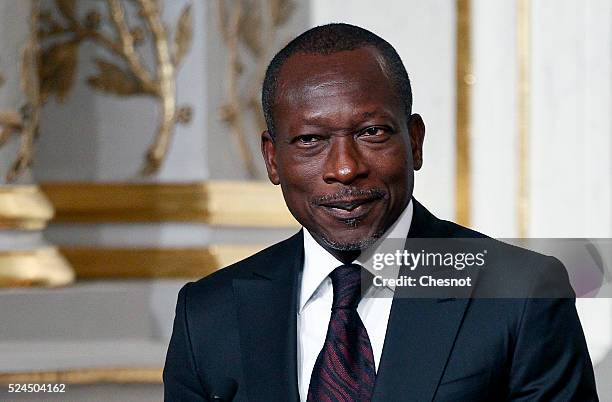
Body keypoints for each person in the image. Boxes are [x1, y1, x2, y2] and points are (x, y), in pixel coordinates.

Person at [163, 23, 598, 401]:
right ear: (273, 159)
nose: (345, 168)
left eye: (372, 132)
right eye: (311, 140)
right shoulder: (207, 315)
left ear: (415, 141)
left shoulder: (521, 295)